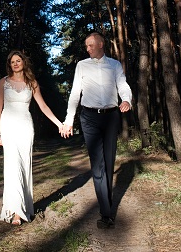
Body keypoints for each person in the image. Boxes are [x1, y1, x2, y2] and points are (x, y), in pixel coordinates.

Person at [60, 32, 132, 229]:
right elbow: (75, 93)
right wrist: (69, 120)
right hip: (89, 117)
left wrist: (126, 99)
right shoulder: (82, 65)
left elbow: (123, 85)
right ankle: (106, 213)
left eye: (90, 45)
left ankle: (106, 207)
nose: (87, 49)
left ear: (101, 44)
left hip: (110, 117)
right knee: (98, 165)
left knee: (108, 163)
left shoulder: (114, 65)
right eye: (86, 46)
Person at [0, 50, 64, 225]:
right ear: (9, 65)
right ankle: (15, 211)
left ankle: (23, 206)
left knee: (24, 164)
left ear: (24, 62)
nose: (16, 64)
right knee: (12, 165)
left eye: (18, 60)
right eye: (12, 62)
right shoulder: (3, 82)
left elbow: (43, 106)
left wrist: (59, 124)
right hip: (8, 125)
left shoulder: (32, 83)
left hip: (25, 126)